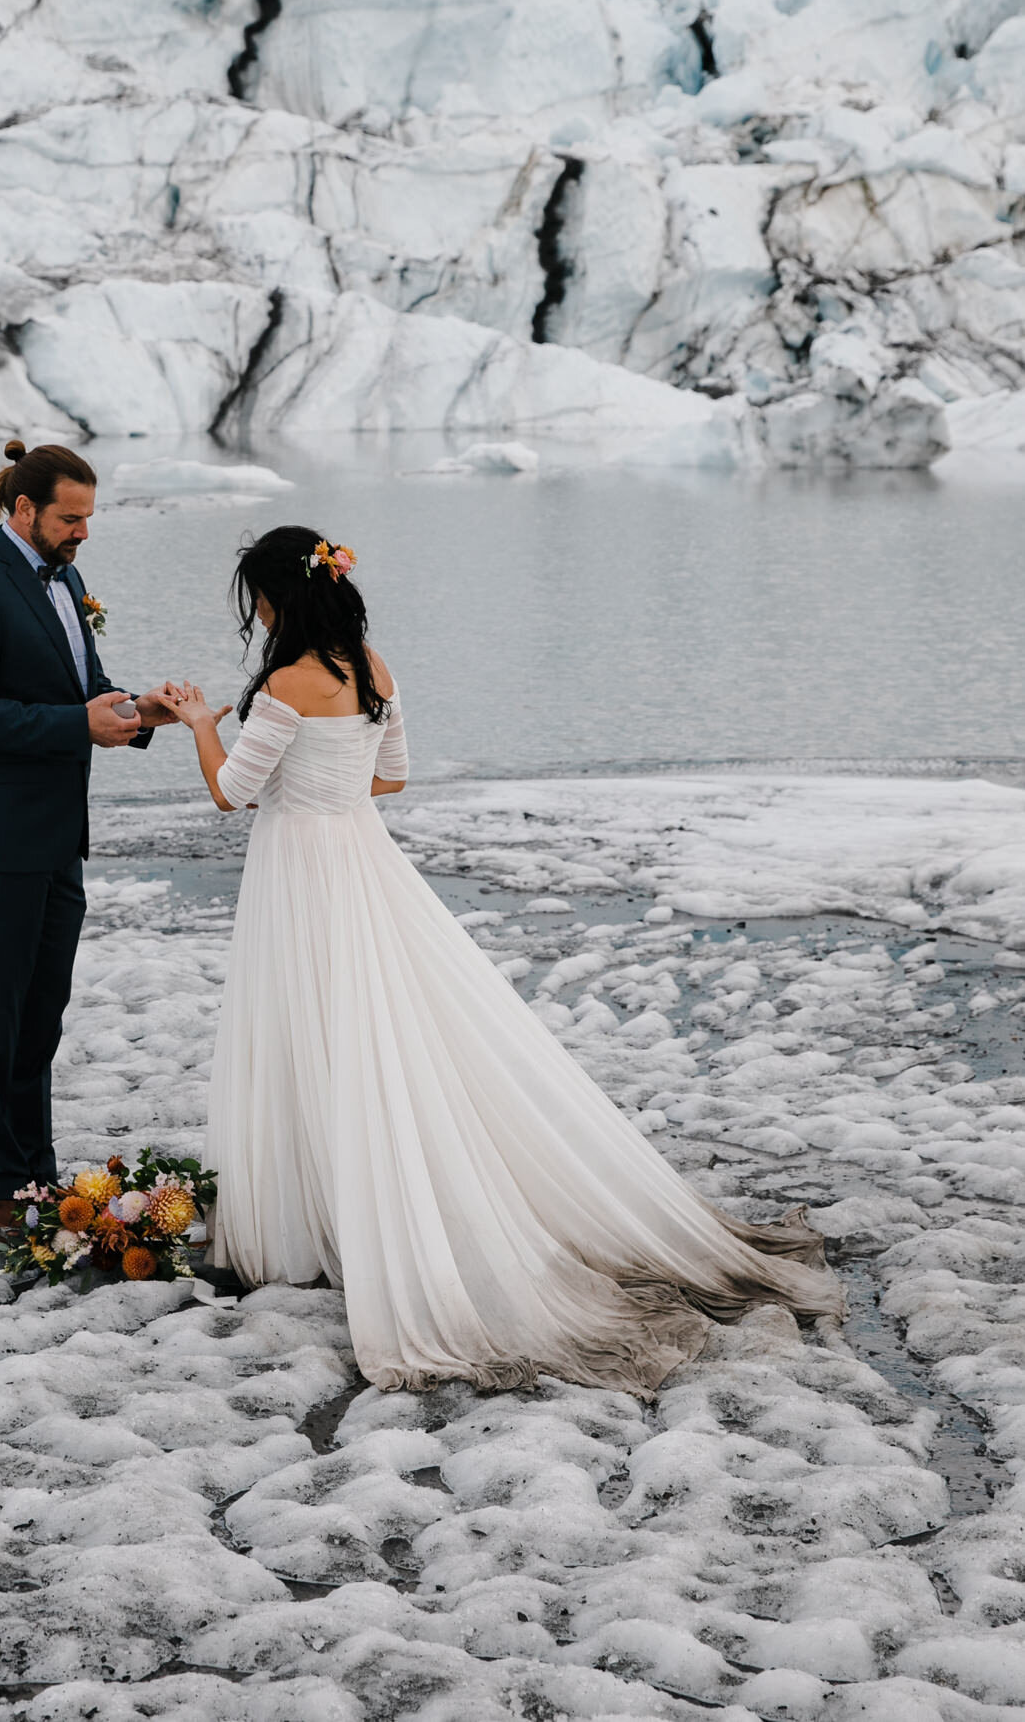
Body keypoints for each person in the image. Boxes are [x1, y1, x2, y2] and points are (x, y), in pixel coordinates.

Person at [170, 524, 843, 1395]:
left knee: (308, 1028)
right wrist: (324, 776)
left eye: (256, 597)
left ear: (278, 598)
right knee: (381, 1033)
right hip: (362, 859)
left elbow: (232, 793)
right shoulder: (370, 667)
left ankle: (310, 1224)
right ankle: (360, 1204)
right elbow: (390, 779)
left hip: (298, 870)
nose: (254, 612)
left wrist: (197, 723)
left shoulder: (286, 682)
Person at [0, 440, 178, 1242]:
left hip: (56, 832)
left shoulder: (63, 577)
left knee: (41, 1011)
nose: (82, 534)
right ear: (24, 509)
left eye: (88, 520)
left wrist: (139, 712)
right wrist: (80, 723)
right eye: (70, 519)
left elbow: (80, 690)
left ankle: (32, 1177)